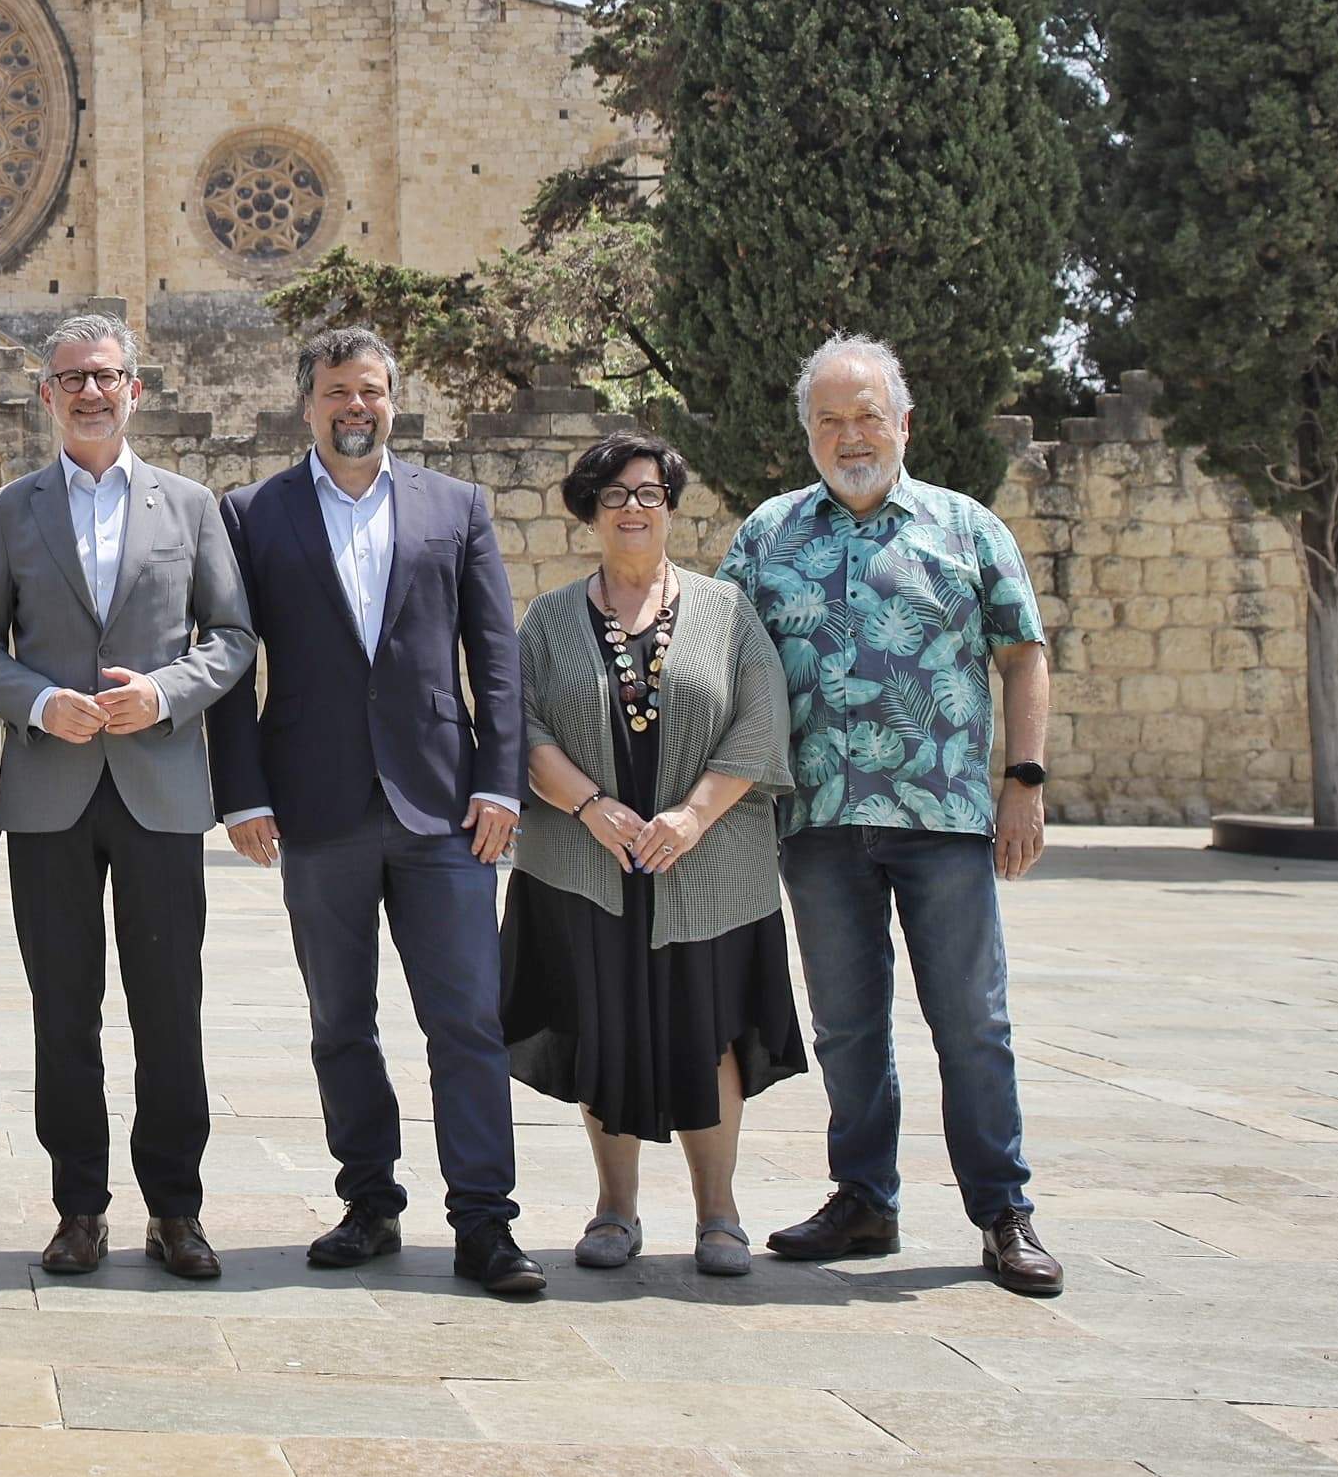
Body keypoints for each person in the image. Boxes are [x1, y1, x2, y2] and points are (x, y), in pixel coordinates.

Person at [720, 333, 1063, 1297]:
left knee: (971, 1022)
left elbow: (1023, 653)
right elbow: (723, 665)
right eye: (829, 419)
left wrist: (1024, 781)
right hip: (819, 825)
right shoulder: (767, 537)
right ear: (808, 435)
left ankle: (1004, 1211)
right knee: (846, 1026)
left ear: (904, 423)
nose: (850, 435)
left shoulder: (966, 529)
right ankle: (864, 1198)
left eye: (867, 414)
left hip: (944, 819)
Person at [210, 328, 545, 1296]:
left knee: (467, 1020)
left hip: (443, 805)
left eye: (371, 391)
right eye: (335, 392)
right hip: (316, 806)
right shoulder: (254, 513)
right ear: (306, 404)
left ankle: (485, 1217)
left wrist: (499, 780)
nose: (354, 406)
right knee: (339, 1020)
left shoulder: (456, 506)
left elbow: (495, 655)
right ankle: (369, 1201)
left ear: (394, 400)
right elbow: (233, 662)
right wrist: (243, 790)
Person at [0, 314, 256, 1280]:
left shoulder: (190, 506)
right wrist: (40, 703)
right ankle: (77, 1207)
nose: (90, 392)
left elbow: (232, 635)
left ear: (136, 390)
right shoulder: (11, 511)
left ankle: (177, 1209)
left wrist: (159, 695)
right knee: (63, 1011)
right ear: (46, 395)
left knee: (171, 1009)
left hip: (161, 788)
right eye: (72, 378)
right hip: (50, 796)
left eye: (107, 376)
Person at [502, 430, 804, 1277]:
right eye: (614, 495)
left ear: (671, 506)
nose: (632, 508)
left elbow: (760, 718)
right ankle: (614, 1210)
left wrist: (691, 819)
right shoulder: (552, 619)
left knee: (708, 1034)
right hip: (585, 859)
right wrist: (591, 805)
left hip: (704, 863)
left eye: (648, 493)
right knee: (604, 1026)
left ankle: (720, 1216)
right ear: (590, 513)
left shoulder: (727, 610)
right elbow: (519, 725)